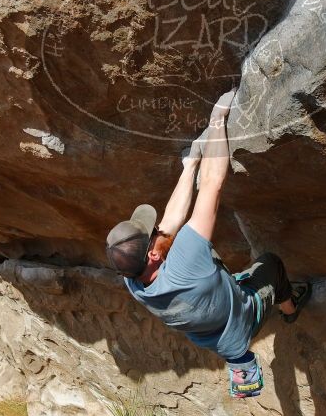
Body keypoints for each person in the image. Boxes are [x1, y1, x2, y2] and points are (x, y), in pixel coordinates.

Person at [105, 89, 311, 398]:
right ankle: (290, 307)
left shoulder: (133, 281)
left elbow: (169, 225)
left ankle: (240, 361)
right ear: (152, 253)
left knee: (218, 279)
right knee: (271, 263)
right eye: (151, 234)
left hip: (212, 332)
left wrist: (190, 164)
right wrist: (217, 121)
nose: (156, 229)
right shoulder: (187, 262)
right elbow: (213, 186)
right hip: (243, 317)